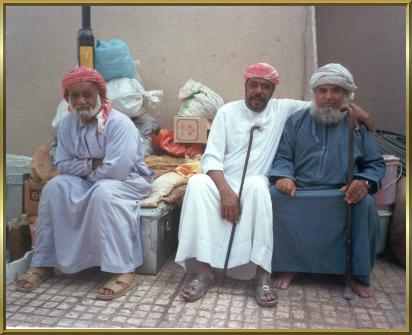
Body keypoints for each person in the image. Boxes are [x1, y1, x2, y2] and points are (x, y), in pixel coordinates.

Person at [175, 63, 373, 307]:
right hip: (222, 182)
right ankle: (204, 271)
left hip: (255, 183)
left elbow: (325, 104)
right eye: (253, 85)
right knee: (196, 183)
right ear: (245, 86)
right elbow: (212, 158)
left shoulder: (283, 109)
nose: (258, 91)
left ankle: (262, 274)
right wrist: (226, 192)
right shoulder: (227, 112)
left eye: (265, 87)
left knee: (259, 185)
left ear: (273, 90)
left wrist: (355, 109)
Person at [15, 66, 154, 300]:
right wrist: (93, 164)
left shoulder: (120, 124)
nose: (81, 101)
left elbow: (117, 169)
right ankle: (44, 262)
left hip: (127, 181)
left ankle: (123, 269)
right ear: (67, 99)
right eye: (74, 96)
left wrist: (84, 168)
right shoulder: (68, 124)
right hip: (88, 180)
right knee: (55, 188)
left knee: (103, 192)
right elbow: (63, 163)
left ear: (100, 94)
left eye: (87, 94)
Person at [269, 63, 386, 298]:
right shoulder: (296, 121)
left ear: (346, 95)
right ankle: (290, 266)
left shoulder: (357, 125)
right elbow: (283, 157)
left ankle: (354, 273)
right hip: (300, 190)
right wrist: (284, 177)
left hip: (341, 193)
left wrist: (363, 182)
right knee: (274, 196)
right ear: (314, 94)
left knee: (365, 205)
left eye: (336, 91)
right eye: (322, 91)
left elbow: (376, 164)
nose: (329, 97)